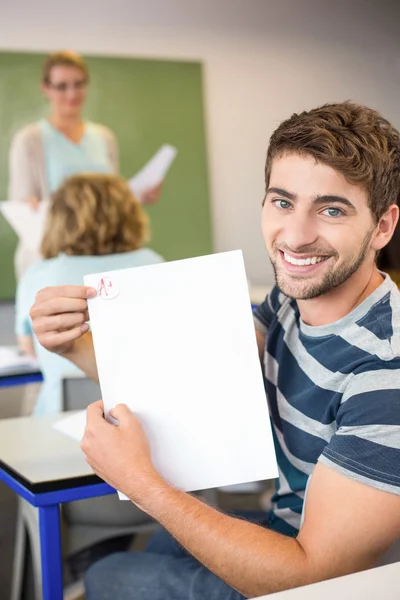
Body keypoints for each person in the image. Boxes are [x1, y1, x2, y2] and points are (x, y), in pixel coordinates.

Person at [30, 102, 400, 599]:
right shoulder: (291, 299)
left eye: (332, 209)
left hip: (332, 580)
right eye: (282, 202)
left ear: (382, 226)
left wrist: (141, 484)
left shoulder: (386, 370)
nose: (295, 236)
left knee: (106, 576)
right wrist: (74, 344)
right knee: (160, 546)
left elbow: (315, 577)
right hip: (286, 523)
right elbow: (201, 383)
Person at [16, 173, 163, 416]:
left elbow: (29, 348)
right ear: (130, 215)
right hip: (141, 416)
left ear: (56, 220)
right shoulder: (154, 264)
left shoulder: (37, 274)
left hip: (56, 415)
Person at [8, 50, 161, 276]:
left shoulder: (104, 138)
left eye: (79, 84)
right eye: (62, 86)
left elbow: (110, 199)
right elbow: (21, 203)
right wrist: (28, 206)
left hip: (104, 253)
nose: (72, 93)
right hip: (54, 257)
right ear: (46, 88)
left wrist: (136, 196)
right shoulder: (30, 140)